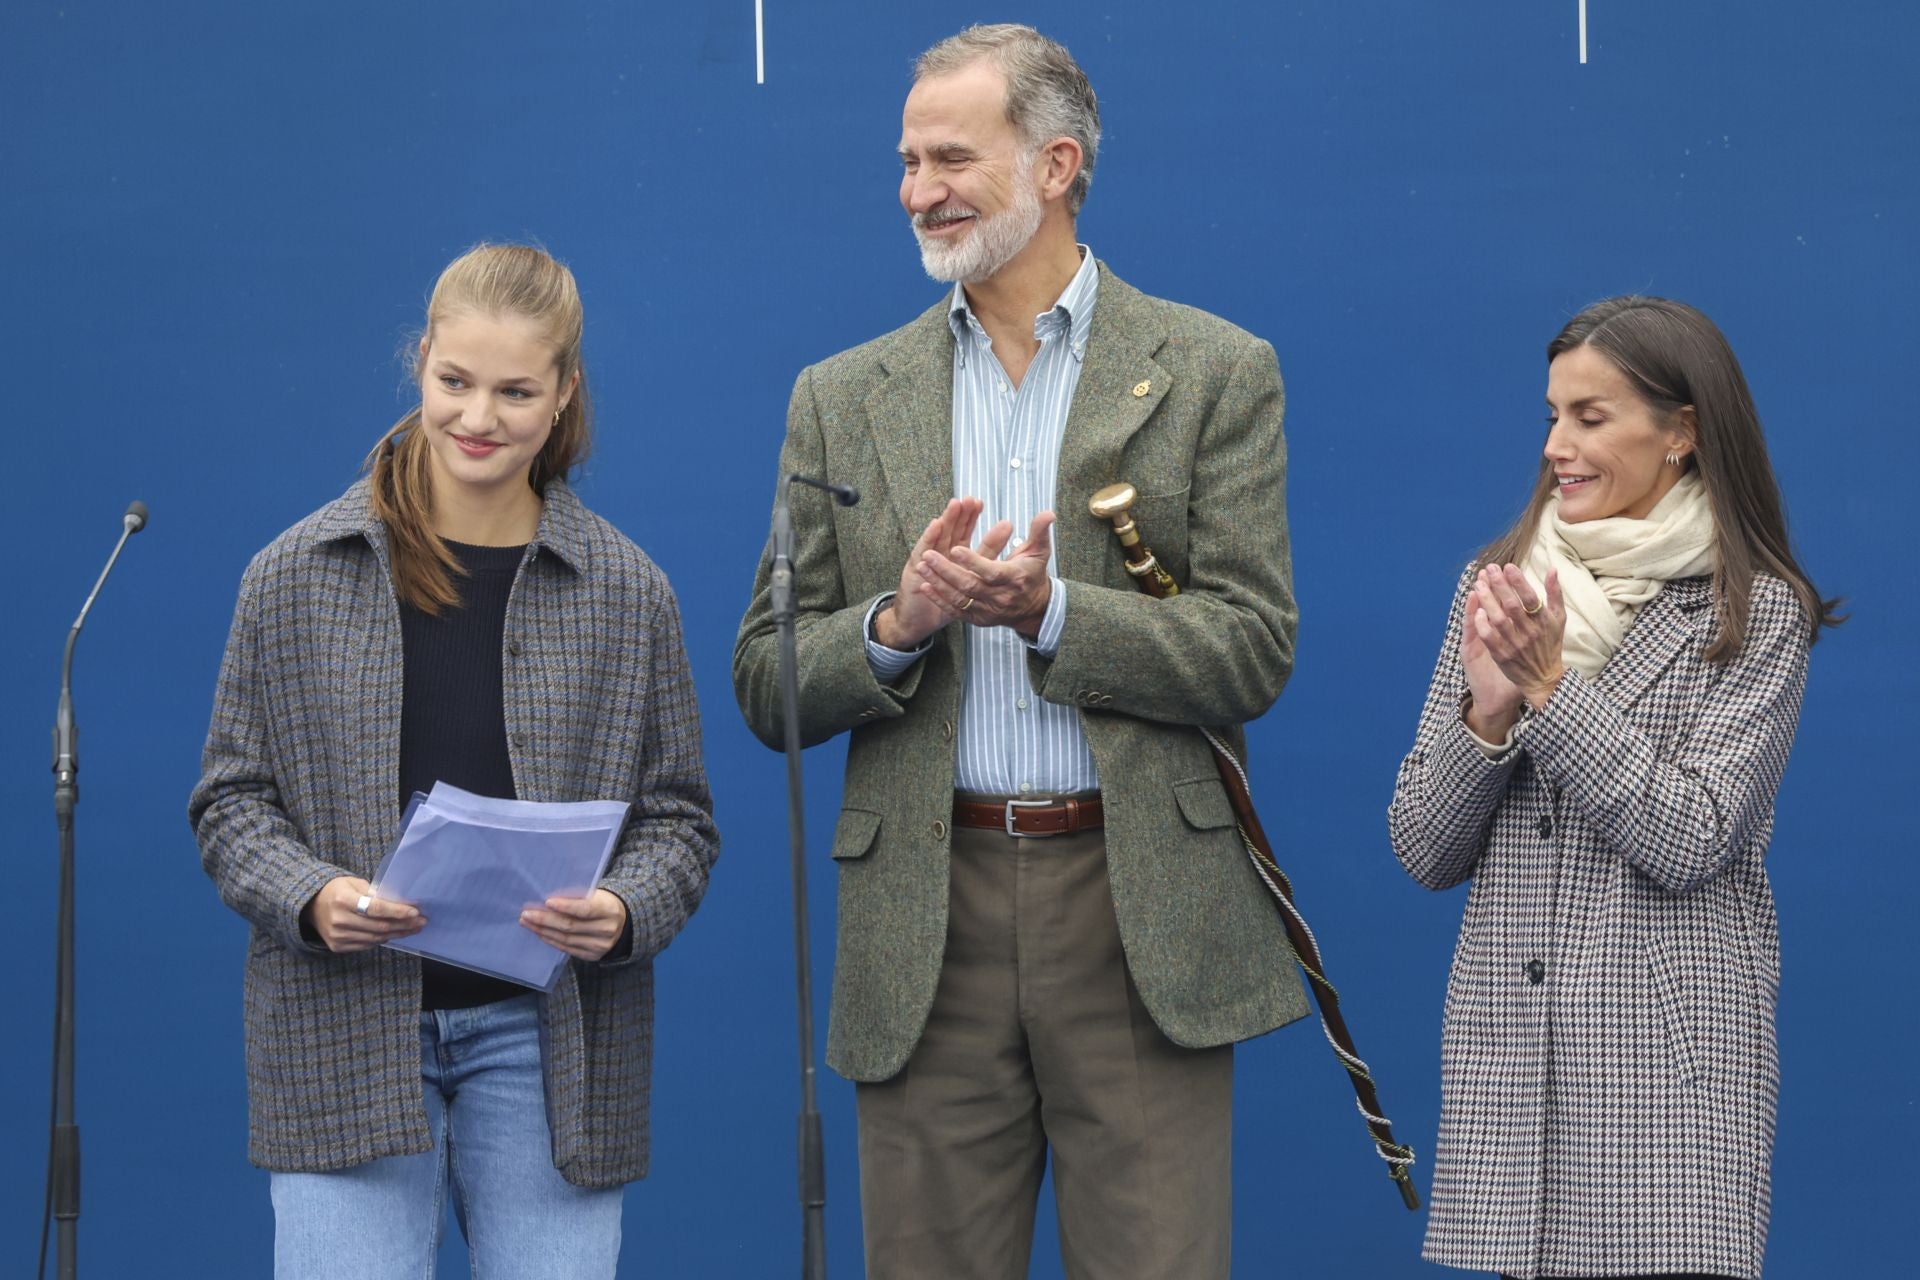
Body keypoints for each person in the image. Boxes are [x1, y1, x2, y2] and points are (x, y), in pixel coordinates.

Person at [732, 24, 1303, 1280]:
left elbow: (1254, 649)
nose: (916, 189)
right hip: (923, 914)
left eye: (950, 156)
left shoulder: (1212, 371)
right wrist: (899, 623)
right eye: (906, 158)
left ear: (1054, 164)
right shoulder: (841, 392)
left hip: (1135, 900)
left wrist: (1054, 614)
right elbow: (766, 679)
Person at [189, 243, 718, 1279]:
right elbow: (231, 801)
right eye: (455, 382)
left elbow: (680, 820)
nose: (480, 417)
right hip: (343, 1029)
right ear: (420, 360)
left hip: (549, 1038)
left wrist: (621, 911)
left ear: (564, 393)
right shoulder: (294, 574)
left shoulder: (628, 589)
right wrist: (311, 892)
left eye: (517, 391)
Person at [1388, 295, 1839, 1280]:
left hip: (1665, 1085)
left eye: (1591, 417)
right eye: (1553, 414)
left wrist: (1552, 688)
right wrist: (1492, 713)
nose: (1558, 444)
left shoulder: (1757, 611)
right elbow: (1424, 848)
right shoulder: (1499, 582)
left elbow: (1692, 836)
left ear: (1682, 430)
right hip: (1514, 1080)